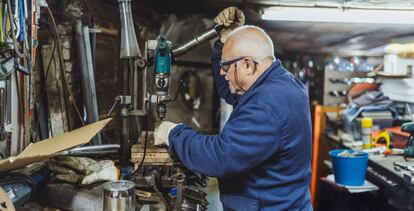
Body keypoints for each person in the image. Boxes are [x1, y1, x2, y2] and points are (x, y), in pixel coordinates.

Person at [154, 7, 313, 211]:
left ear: (247, 65)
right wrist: (224, 42)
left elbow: (221, 157)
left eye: (226, 66)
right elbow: (231, 90)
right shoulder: (282, 83)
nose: (221, 72)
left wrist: (173, 134)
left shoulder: (267, 103)